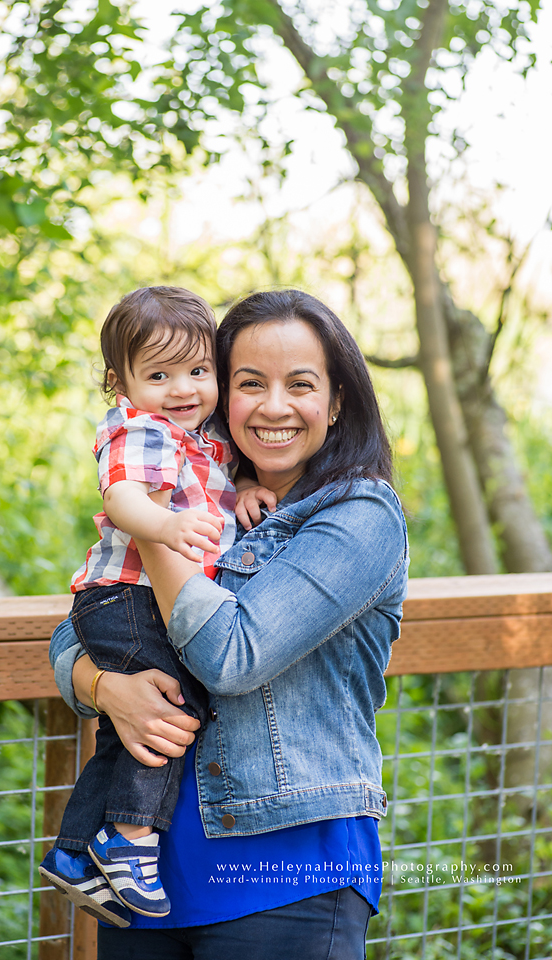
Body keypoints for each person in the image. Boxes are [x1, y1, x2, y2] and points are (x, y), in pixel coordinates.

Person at [50, 289, 409, 958]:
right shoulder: (199, 486)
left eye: (299, 385)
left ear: (334, 402)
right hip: (141, 876)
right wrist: (108, 690)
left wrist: (155, 526)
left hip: (289, 874)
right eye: (250, 383)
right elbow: (75, 631)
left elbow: (231, 656)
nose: (273, 406)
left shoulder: (360, 515)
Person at [39, 286, 273, 925]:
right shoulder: (141, 429)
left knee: (130, 725)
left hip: (141, 600)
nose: (183, 388)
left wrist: (246, 485)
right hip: (128, 596)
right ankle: (131, 841)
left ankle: (73, 854)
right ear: (122, 382)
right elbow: (122, 499)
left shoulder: (202, 440)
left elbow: (220, 483)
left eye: (198, 372)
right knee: (174, 701)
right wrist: (162, 526)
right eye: (159, 374)